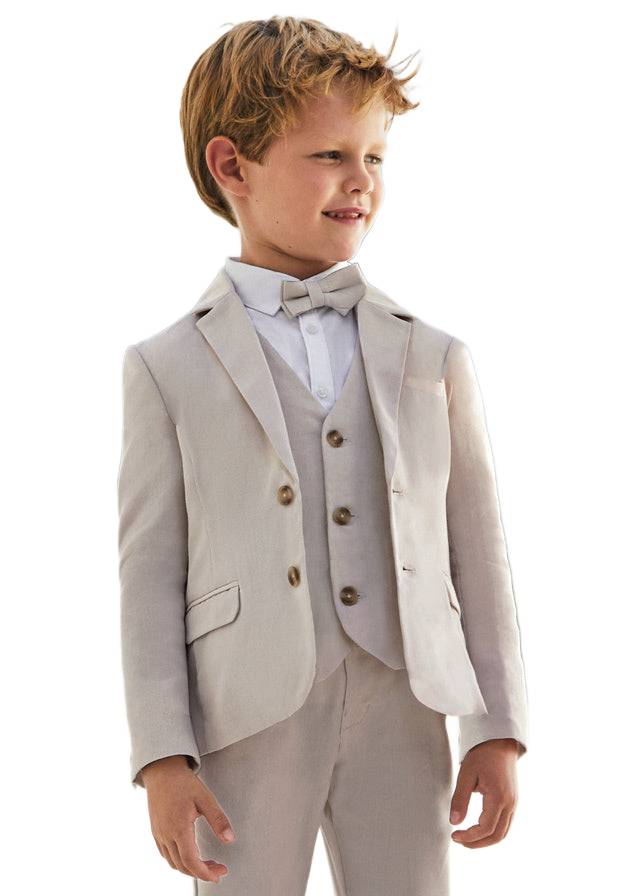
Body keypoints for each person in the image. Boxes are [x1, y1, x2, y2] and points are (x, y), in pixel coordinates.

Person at [117, 16, 529, 895]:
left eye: (374, 156)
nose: (361, 180)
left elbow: (478, 554)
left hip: (406, 697)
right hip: (244, 708)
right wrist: (161, 755)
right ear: (232, 167)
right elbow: (148, 574)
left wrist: (497, 727)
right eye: (331, 155)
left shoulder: (432, 355)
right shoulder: (166, 366)